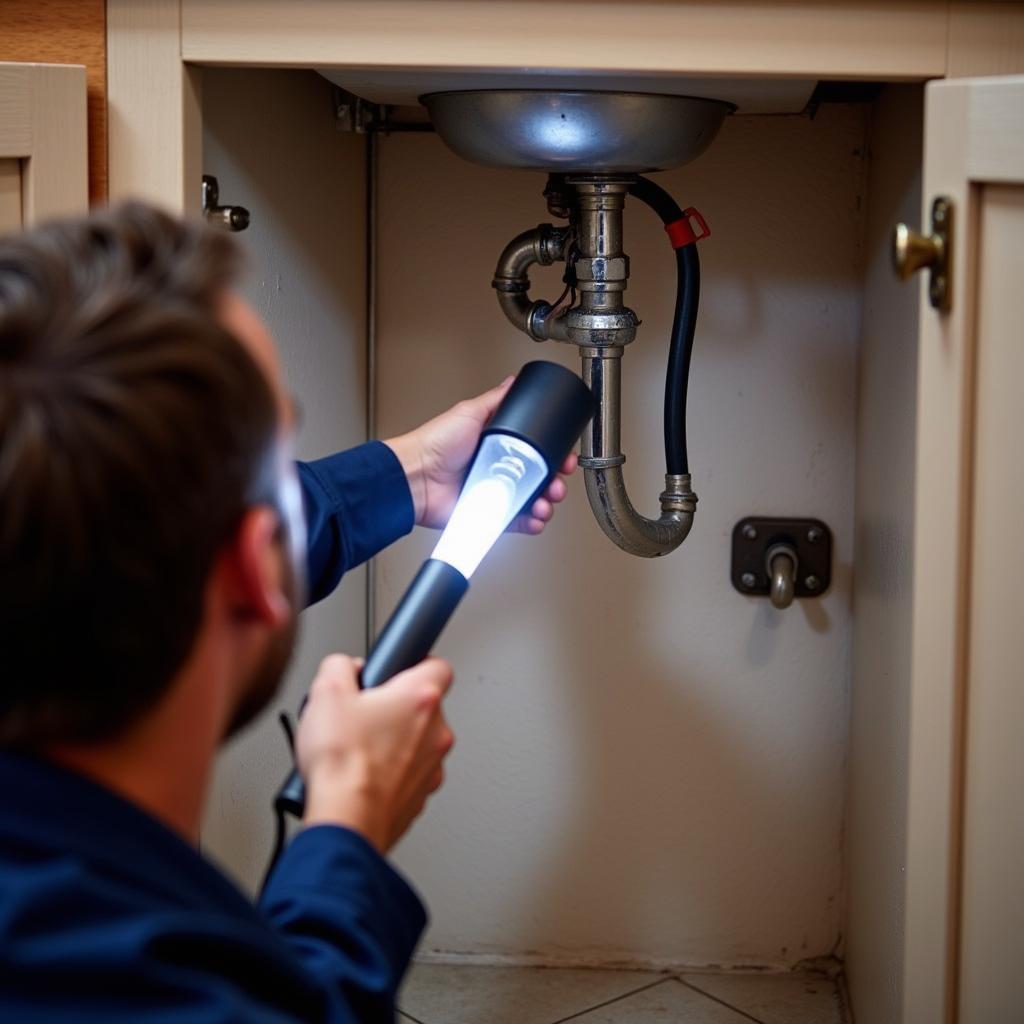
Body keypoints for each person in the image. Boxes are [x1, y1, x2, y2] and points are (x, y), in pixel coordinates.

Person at [0, 203, 575, 1022]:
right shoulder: (134, 983)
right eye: (280, 465)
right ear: (250, 565)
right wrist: (347, 827)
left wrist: (407, 476)